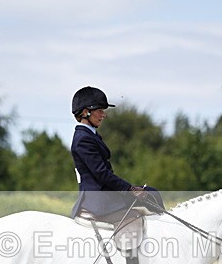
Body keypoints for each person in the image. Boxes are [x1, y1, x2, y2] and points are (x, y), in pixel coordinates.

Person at [69, 86, 164, 221]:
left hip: (104, 193)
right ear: (85, 112)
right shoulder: (83, 139)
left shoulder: (90, 135)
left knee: (151, 192)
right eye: (100, 111)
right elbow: (101, 173)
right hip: (98, 199)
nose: (104, 115)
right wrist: (130, 189)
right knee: (151, 194)